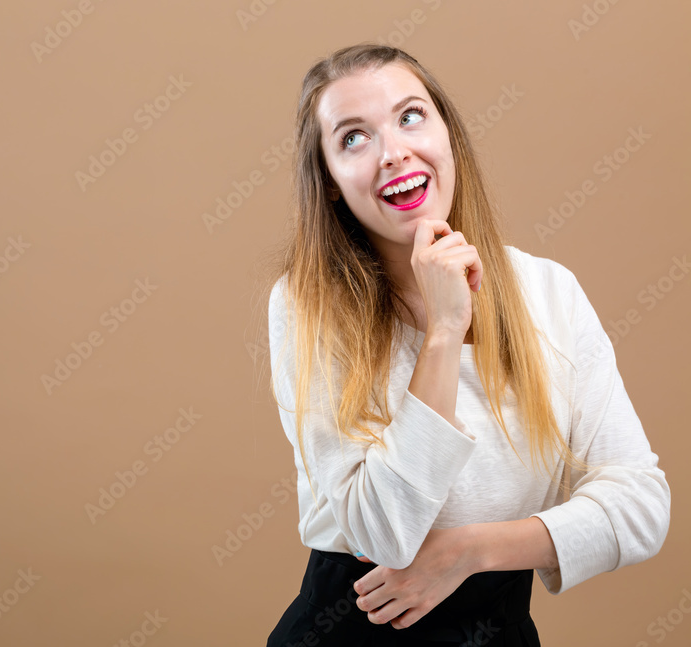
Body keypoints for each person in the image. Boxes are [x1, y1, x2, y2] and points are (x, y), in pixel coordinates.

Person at [263, 43, 671, 646]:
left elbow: (641, 505)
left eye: (410, 116)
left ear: (446, 134)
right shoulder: (306, 305)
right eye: (354, 137)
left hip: (499, 628)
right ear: (328, 183)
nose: (394, 151)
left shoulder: (549, 290)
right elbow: (386, 536)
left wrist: (468, 551)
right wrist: (445, 331)